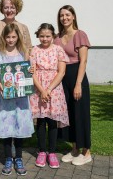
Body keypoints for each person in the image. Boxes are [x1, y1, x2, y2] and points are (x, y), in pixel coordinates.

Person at [0, 0, 32, 165]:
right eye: (6, 7)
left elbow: (28, 49)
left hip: (17, 79)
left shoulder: (23, 27)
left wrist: (25, 66)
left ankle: (13, 150)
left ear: (16, 8)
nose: (9, 9)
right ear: (2, 9)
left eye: (12, 6)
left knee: (15, 113)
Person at [0, 23, 34, 176]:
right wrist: (0, 85)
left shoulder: (23, 52)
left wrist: (30, 70)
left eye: (14, 36)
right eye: (8, 37)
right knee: (6, 128)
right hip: (5, 97)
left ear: (18, 37)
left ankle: (18, 158)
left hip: (21, 98)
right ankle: (8, 158)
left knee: (19, 127)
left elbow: (28, 73)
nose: (11, 39)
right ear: (4, 37)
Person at [54, 5, 92, 166]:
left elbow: (83, 60)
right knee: (68, 114)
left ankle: (87, 152)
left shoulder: (80, 35)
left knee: (80, 113)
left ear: (74, 16)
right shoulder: (57, 37)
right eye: (62, 15)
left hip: (77, 76)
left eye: (68, 15)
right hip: (62, 77)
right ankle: (75, 148)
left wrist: (78, 84)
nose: (65, 18)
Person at [29, 23, 69, 169]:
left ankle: (52, 152)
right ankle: (41, 151)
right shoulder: (34, 50)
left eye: (47, 36)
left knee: (52, 121)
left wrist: (49, 89)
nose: (44, 39)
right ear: (38, 36)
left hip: (54, 88)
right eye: (42, 36)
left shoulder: (59, 50)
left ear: (53, 36)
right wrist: (42, 90)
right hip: (38, 87)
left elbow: (61, 72)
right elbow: (32, 72)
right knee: (40, 120)